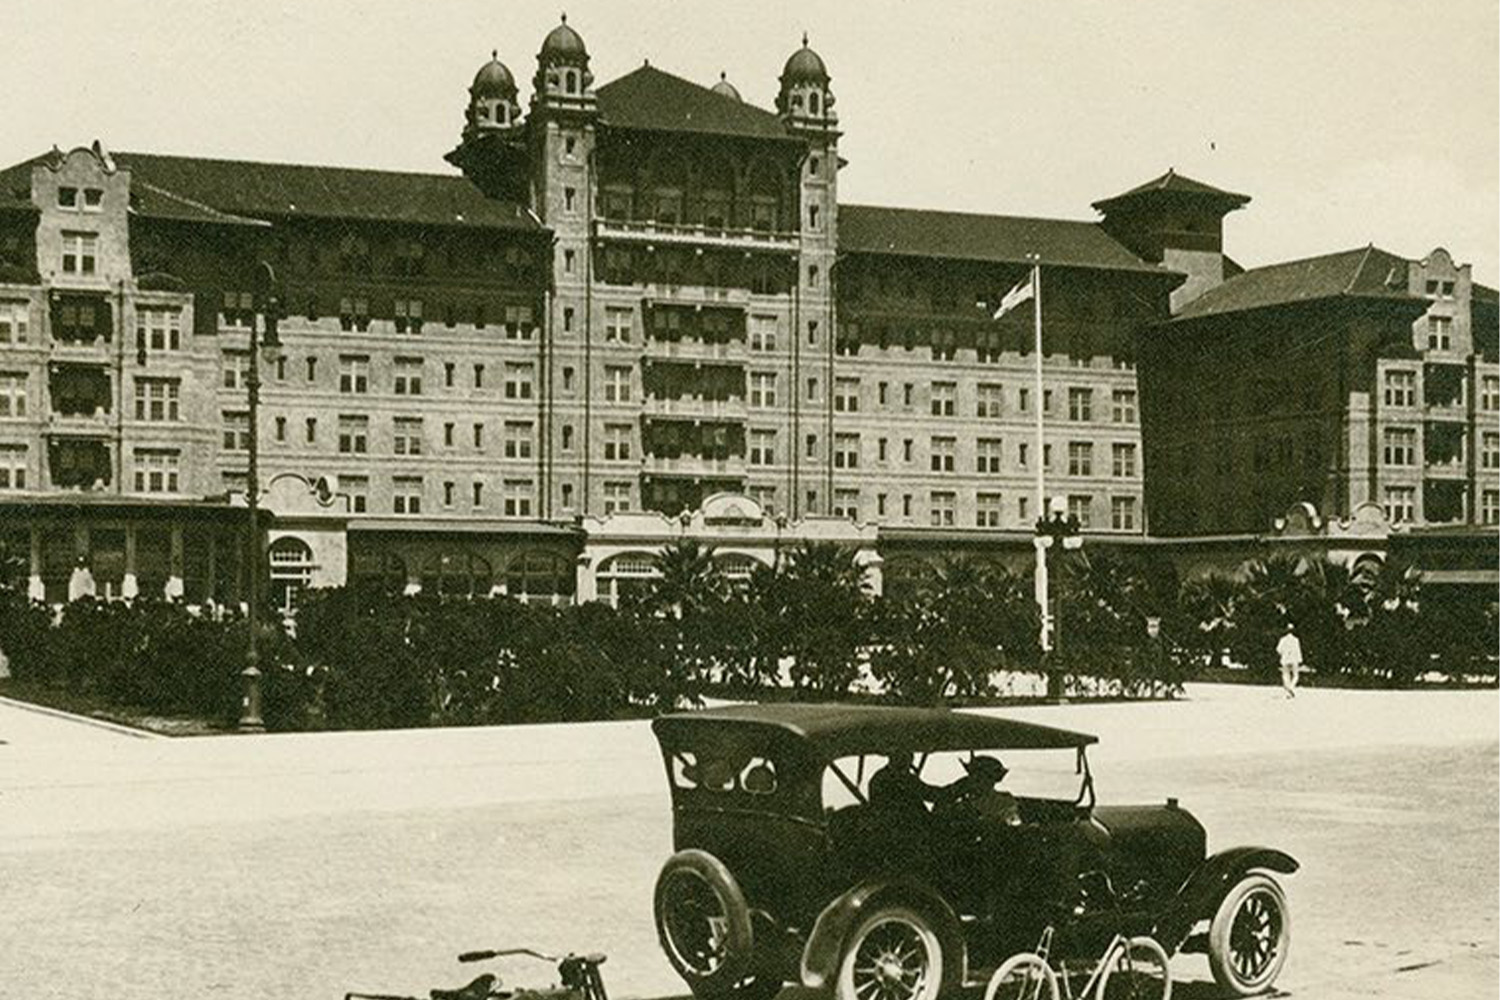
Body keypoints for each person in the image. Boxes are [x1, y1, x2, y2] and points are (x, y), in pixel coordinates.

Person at [1276, 623, 1304, 699]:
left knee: (1285, 675)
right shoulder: (1296, 640)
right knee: (1296, 675)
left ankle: (1288, 689)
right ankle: (1291, 687)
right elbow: (1298, 650)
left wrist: (1282, 654)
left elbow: (1278, 649)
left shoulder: (1283, 639)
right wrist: (1300, 659)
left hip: (1285, 659)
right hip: (1294, 659)